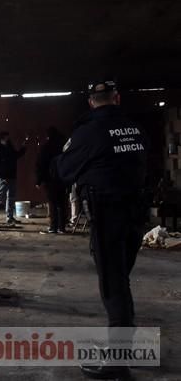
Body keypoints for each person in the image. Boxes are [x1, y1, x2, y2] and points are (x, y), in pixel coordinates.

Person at [57, 80, 147, 381]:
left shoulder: (89, 131)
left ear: (91, 102)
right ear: (117, 98)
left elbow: (63, 170)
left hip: (109, 213)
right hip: (135, 213)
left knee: (113, 285)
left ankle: (118, 364)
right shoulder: (134, 128)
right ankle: (124, 347)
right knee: (122, 280)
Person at [0, 131, 27, 226]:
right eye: (7, 137)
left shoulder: (9, 146)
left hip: (11, 176)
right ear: (3, 137)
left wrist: (23, 148)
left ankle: (9, 217)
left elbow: (15, 156)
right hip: (3, 177)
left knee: (11, 197)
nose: (8, 138)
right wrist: (2, 175)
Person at [36, 127, 68, 235]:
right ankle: (62, 227)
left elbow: (40, 164)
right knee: (62, 203)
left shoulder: (46, 147)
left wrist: (38, 180)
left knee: (53, 203)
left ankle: (53, 227)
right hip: (62, 179)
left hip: (50, 180)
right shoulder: (63, 146)